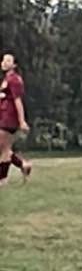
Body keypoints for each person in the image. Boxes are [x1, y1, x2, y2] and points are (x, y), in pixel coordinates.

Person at [0, 52, 32, 184]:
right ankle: (23, 165)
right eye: (3, 60)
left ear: (14, 65)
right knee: (4, 147)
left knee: (4, 148)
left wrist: (22, 121)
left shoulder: (15, 80)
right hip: (3, 116)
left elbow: (17, 101)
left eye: (8, 60)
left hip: (10, 118)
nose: (4, 62)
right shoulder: (6, 79)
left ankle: (2, 179)